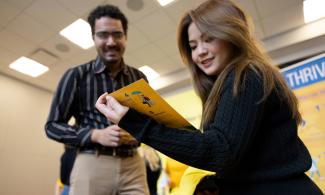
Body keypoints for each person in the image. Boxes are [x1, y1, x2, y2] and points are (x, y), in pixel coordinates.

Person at [95, 0, 324, 194]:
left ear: (232, 34)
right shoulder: (231, 82)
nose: (199, 52)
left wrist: (135, 122)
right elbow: (230, 151)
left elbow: (219, 152)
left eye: (209, 39)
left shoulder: (246, 75)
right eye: (193, 46)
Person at [45, 4, 149, 195]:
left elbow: (149, 120)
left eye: (117, 34)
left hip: (134, 165)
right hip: (92, 161)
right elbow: (52, 125)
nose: (111, 42)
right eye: (103, 35)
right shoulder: (75, 75)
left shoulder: (139, 77)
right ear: (93, 38)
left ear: (125, 37)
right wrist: (95, 135)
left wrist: (138, 133)